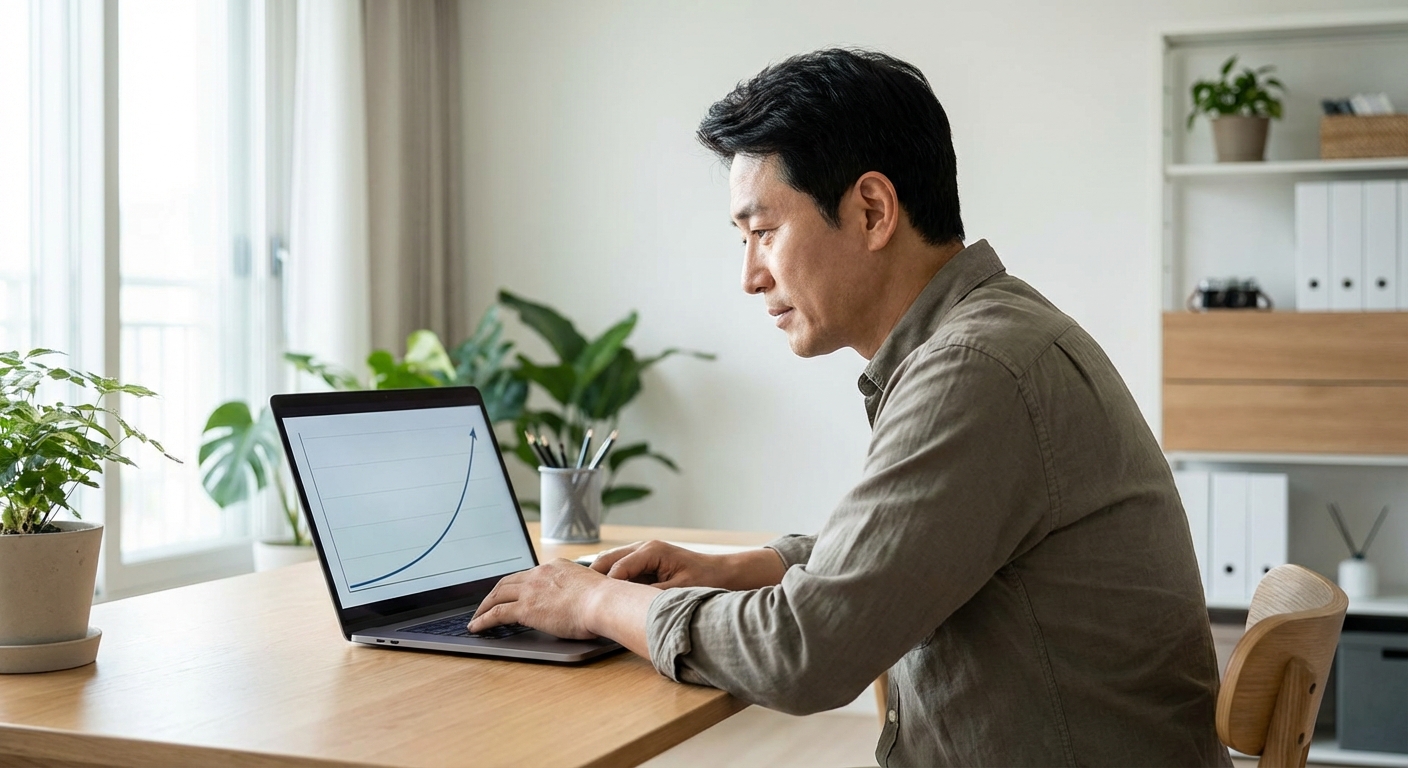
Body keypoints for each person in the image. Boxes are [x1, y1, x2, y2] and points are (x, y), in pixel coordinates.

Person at [471, 48, 1231, 767]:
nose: (750, 276)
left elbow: (805, 652)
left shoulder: (975, 370)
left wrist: (594, 602)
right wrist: (749, 567)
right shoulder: (995, 336)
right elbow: (910, 548)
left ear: (871, 210)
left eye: (763, 232)